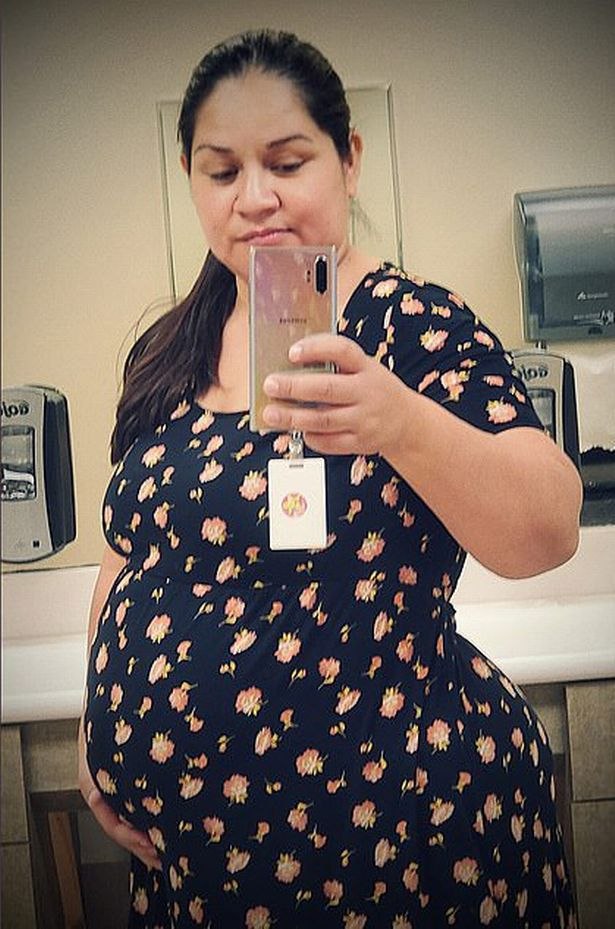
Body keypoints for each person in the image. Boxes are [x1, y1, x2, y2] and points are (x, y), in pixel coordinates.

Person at [80, 28, 582, 929]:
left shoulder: (413, 324)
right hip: (204, 859)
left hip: (398, 838)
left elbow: (547, 529)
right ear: (190, 178)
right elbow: (129, 553)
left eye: (286, 161)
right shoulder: (169, 347)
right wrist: (97, 728)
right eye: (221, 170)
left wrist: (400, 422)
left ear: (347, 160)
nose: (254, 197)